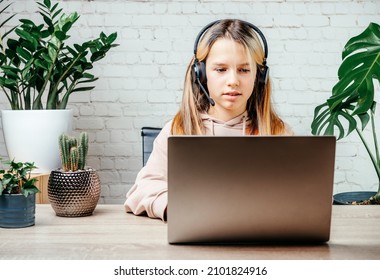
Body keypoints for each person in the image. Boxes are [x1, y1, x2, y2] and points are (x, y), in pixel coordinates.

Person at [124, 19, 292, 221]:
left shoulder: (277, 132)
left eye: (244, 70)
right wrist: (175, 207)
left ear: (259, 76)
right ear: (201, 74)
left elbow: (295, 195)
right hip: (196, 237)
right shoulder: (178, 130)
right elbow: (141, 189)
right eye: (221, 69)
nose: (233, 81)